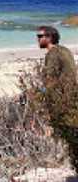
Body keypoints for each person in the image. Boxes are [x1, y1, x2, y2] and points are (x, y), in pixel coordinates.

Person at [36, 25, 78, 170]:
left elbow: (49, 80)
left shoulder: (52, 54)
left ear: (50, 37)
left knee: (61, 131)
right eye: (38, 36)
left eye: (40, 36)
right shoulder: (65, 50)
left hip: (61, 99)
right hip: (72, 95)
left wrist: (40, 96)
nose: (38, 39)